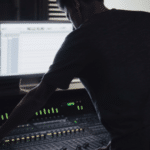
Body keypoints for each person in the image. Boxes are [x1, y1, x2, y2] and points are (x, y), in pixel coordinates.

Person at [0, 0, 150, 150]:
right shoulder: (144, 19)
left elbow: (37, 97)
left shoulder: (83, 36)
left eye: (67, 14)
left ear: (76, 6)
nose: (70, 19)